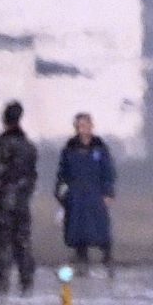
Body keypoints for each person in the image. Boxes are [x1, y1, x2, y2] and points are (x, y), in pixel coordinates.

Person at [0, 100, 37, 296]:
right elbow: (32, 176)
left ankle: (2, 282)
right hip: (23, 201)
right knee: (23, 241)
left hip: (5, 200)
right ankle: (26, 282)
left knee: (4, 242)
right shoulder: (29, 146)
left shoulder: (4, 143)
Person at [54, 112, 116, 276]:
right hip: (75, 195)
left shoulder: (99, 147)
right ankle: (82, 261)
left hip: (95, 193)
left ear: (91, 126)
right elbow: (62, 174)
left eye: (84, 126)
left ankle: (107, 259)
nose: (81, 130)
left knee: (101, 228)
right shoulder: (70, 148)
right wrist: (61, 194)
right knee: (77, 229)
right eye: (78, 126)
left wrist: (108, 192)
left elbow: (108, 172)